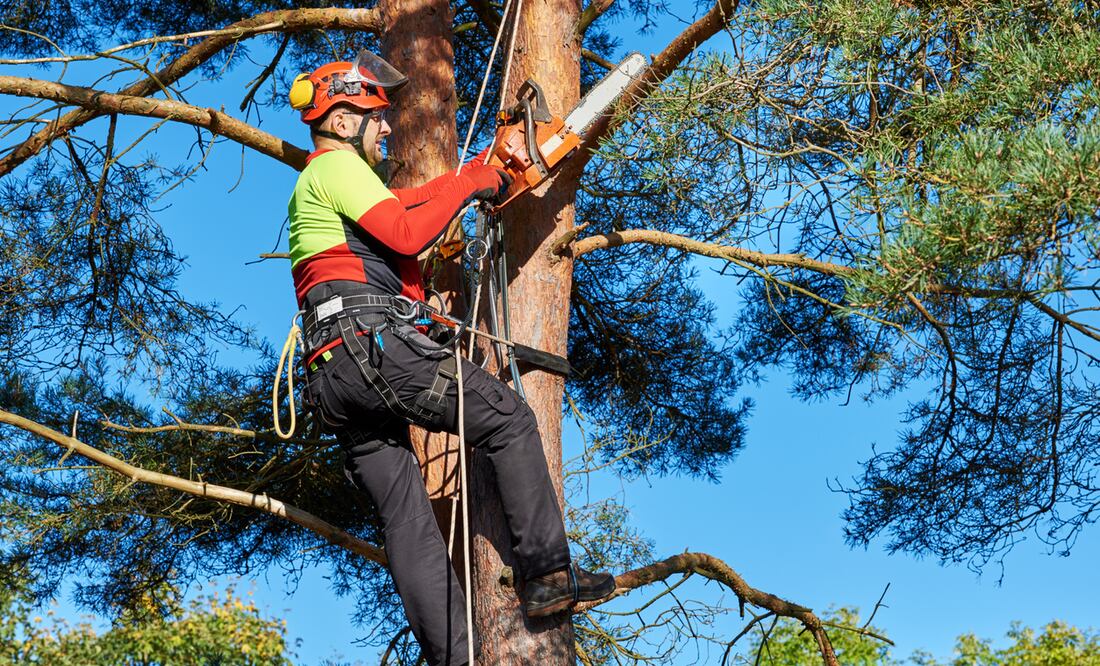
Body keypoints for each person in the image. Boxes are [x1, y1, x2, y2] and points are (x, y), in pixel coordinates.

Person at [285, 51, 615, 666]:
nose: (386, 128)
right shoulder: (334, 167)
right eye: (375, 117)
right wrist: (471, 183)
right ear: (342, 118)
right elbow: (411, 233)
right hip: (372, 349)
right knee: (509, 418)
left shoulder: (324, 186)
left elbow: (406, 214)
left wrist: (476, 174)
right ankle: (545, 577)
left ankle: (454, 658)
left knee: (406, 520)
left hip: (334, 374)